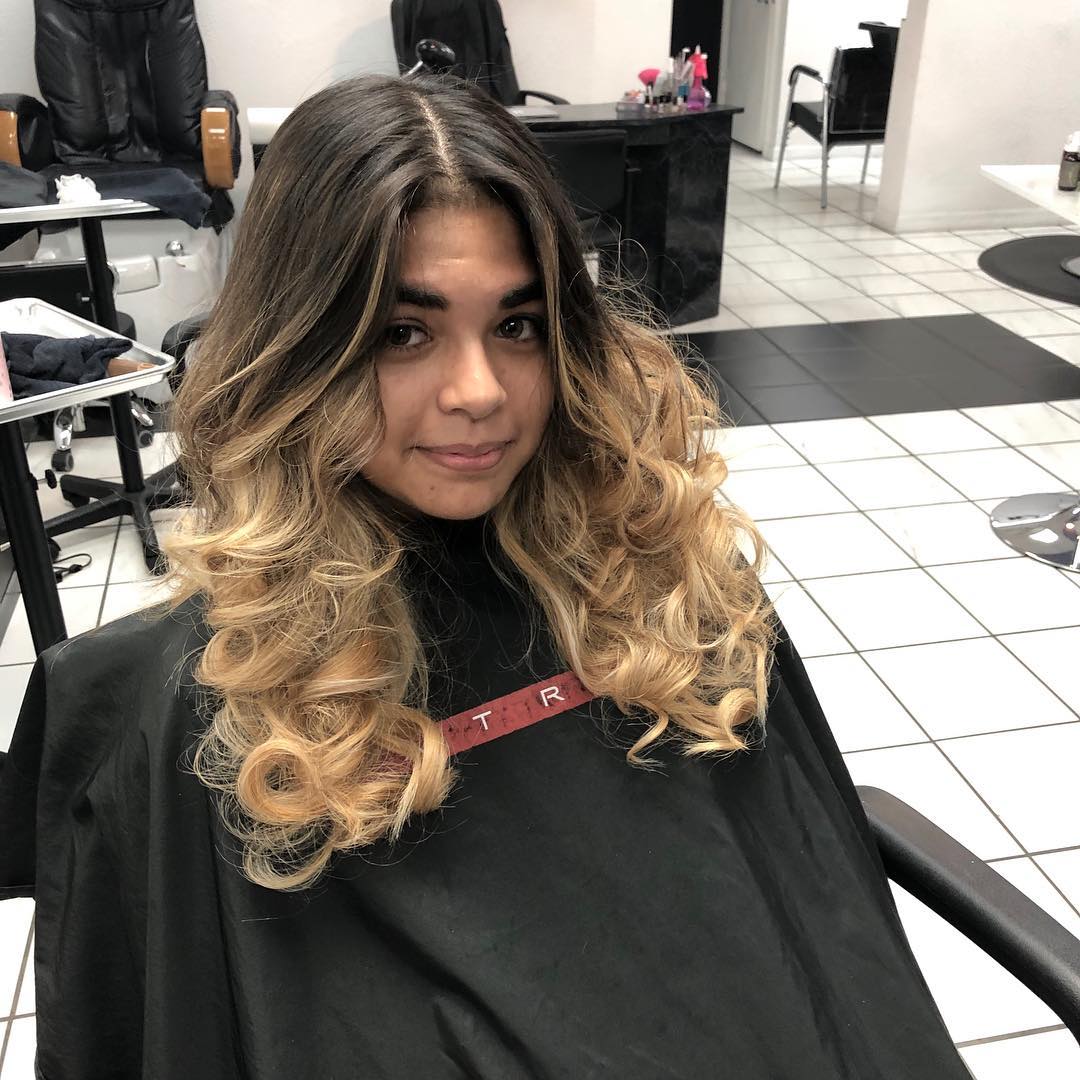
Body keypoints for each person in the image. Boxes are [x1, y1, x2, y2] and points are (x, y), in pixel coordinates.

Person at [0, 73, 972, 1079]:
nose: (480, 393)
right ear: (301, 350)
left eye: (518, 326)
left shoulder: (669, 583)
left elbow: (820, 921)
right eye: (403, 333)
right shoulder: (171, 701)